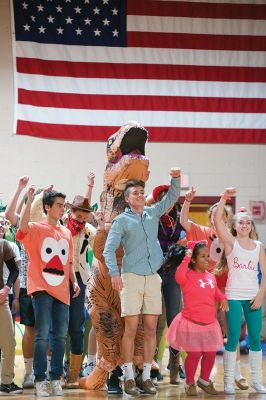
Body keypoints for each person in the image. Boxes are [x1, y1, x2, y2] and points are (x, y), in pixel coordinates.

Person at [103, 167, 181, 395]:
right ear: (127, 199)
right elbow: (109, 250)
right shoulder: (121, 221)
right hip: (131, 277)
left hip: (152, 277)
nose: (139, 195)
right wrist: (114, 274)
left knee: (150, 328)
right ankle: (128, 377)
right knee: (131, 328)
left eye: (141, 192)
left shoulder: (152, 213)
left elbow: (172, 197)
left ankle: (146, 377)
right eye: (135, 193)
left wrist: (174, 178)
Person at [180, 186, 248, 390]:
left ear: (227, 220)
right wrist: (187, 201)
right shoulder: (201, 232)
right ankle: (197, 377)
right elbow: (184, 221)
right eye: (216, 215)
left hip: (229, 290)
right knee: (203, 334)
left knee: (232, 332)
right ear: (211, 219)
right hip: (205, 292)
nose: (219, 218)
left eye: (224, 215)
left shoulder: (233, 238)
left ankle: (235, 374)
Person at [16, 187, 80, 397]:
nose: (63, 209)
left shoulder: (66, 232)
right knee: (42, 334)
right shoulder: (36, 228)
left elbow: (68, 261)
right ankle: (39, 379)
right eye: (59, 205)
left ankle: (55, 378)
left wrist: (74, 281)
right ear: (47, 207)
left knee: (61, 336)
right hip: (41, 288)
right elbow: (22, 228)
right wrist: (28, 199)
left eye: (64, 205)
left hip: (62, 290)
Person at [213, 188, 266, 395]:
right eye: (240, 222)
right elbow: (218, 221)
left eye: (248, 222)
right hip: (234, 296)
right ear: (234, 226)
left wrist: (261, 294)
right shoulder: (230, 243)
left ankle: (257, 381)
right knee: (233, 338)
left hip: (253, 297)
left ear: (251, 226)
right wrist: (223, 198)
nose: (244, 225)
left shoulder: (258, 246)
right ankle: (228, 381)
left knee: (254, 340)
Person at [166, 241, 228, 396]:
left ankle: (204, 380)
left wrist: (223, 298)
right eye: (203, 256)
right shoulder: (186, 275)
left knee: (210, 353)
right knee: (194, 354)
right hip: (191, 323)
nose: (207, 259)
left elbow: (215, 292)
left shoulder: (211, 277)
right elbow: (178, 275)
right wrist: (186, 257)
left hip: (209, 324)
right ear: (193, 260)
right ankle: (189, 383)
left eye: (208, 256)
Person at [147, 185, 185, 384]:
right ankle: (153, 366)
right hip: (154, 272)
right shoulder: (151, 218)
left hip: (172, 274)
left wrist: (182, 244)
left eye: (169, 199)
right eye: (162, 199)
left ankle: (175, 367)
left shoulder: (178, 221)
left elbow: (188, 234)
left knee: (174, 320)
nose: (167, 203)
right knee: (156, 322)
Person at [0, 237, 22, 395]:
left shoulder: (3, 245)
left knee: (9, 343)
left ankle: (6, 383)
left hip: (1, 300)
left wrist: (7, 288)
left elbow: (14, 270)